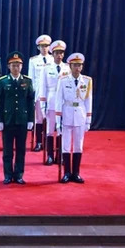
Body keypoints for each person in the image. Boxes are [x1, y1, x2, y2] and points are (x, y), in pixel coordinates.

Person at [0, 52, 35, 184]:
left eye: (18, 65)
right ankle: (8, 175)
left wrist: (31, 119)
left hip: (22, 120)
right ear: (8, 66)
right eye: (13, 65)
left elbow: (30, 102)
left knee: (20, 150)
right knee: (7, 150)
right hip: (8, 120)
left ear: (22, 66)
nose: (16, 68)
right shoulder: (3, 81)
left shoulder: (27, 81)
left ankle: (19, 174)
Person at [55, 53, 92, 183]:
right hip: (67, 113)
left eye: (79, 65)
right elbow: (58, 99)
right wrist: (58, 120)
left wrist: (88, 119)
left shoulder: (87, 81)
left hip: (80, 114)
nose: (77, 68)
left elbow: (88, 100)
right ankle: (66, 173)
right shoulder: (63, 80)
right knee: (65, 145)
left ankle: (76, 173)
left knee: (78, 145)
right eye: (75, 65)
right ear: (70, 66)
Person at [39, 40, 70, 166]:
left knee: (62, 130)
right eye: (57, 53)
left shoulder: (67, 68)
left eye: (61, 53)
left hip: (64, 103)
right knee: (50, 130)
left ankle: (60, 155)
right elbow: (43, 87)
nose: (59, 55)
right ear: (53, 53)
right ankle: (50, 155)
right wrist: (42, 104)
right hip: (51, 101)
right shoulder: (47, 68)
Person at [27, 34, 52, 151]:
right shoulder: (33, 60)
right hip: (38, 92)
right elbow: (30, 78)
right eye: (42, 46)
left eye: (46, 46)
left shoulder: (54, 59)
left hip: (50, 93)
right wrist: (31, 93)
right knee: (39, 118)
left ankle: (48, 142)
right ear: (38, 47)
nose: (44, 48)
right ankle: (38, 142)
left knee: (50, 118)